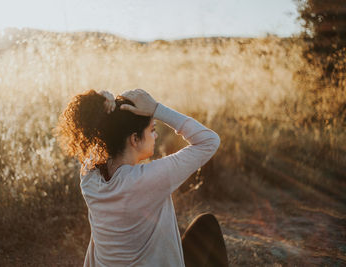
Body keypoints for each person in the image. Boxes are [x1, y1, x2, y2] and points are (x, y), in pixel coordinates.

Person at [56, 88, 228, 266]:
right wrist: (157, 109)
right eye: (152, 129)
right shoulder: (148, 180)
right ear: (134, 139)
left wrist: (103, 103)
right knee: (207, 225)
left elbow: (95, 137)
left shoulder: (90, 177)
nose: (156, 135)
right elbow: (209, 141)